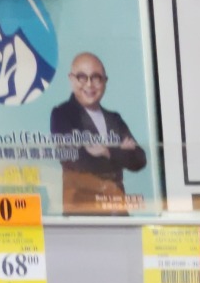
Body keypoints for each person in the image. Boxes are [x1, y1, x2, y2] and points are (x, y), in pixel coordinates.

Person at [48, 51, 147, 214]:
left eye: (96, 78)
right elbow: (79, 162)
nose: (89, 85)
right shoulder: (62, 114)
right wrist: (120, 152)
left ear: (105, 81)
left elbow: (139, 159)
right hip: (83, 214)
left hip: (118, 212)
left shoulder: (114, 118)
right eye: (82, 77)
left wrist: (107, 151)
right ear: (71, 79)